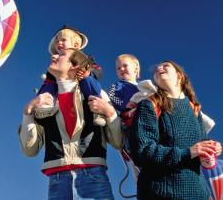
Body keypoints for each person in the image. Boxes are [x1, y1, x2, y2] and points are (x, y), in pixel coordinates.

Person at [19, 50, 123, 200]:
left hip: (93, 178)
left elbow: (118, 142)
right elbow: (30, 150)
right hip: (57, 181)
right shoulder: (45, 101)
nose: (53, 56)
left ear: (74, 66)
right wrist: (28, 112)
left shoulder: (96, 94)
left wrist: (110, 113)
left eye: (60, 55)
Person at [128, 60, 222, 200]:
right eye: (156, 68)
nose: (159, 68)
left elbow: (202, 144)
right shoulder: (149, 104)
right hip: (159, 193)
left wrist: (212, 147)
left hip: (199, 193)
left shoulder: (194, 110)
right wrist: (188, 152)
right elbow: (142, 151)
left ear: (180, 76)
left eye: (165, 65)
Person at [36, 25, 105, 125]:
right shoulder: (56, 62)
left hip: (81, 86)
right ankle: (45, 105)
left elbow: (98, 70)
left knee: (88, 81)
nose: (59, 43)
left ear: (76, 45)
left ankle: (97, 110)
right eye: (57, 41)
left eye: (63, 40)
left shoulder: (84, 58)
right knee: (48, 84)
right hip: (60, 87)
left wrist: (88, 72)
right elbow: (50, 79)